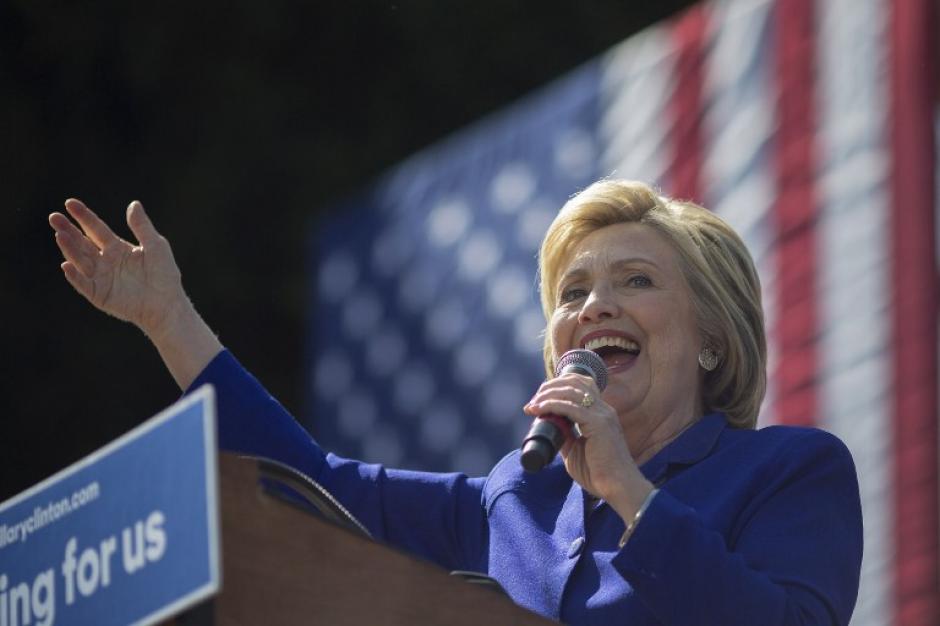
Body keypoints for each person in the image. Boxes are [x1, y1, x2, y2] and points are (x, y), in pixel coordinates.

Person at [48, 179, 863, 625]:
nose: (592, 307)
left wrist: (629, 492)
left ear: (713, 339)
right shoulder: (516, 496)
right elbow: (307, 485)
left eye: (636, 281)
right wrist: (168, 319)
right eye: (572, 291)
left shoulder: (792, 471)